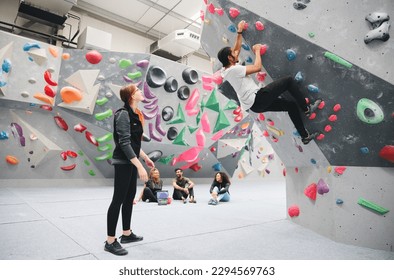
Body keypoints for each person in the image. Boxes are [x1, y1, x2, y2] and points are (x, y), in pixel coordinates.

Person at [217, 20, 322, 145]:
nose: (236, 53)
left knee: (290, 106)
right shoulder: (234, 69)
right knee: (288, 81)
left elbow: (236, 50)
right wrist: (257, 50)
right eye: (232, 54)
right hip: (257, 98)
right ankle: (306, 109)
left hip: (255, 106)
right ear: (229, 58)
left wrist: (239, 31)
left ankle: (305, 136)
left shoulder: (226, 69)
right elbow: (257, 68)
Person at [105, 83, 155, 256]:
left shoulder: (135, 114)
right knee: (117, 200)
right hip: (123, 162)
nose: (141, 92)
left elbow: (134, 143)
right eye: (138, 90)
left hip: (132, 162)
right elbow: (124, 143)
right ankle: (110, 241)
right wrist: (139, 166)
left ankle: (126, 233)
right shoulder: (123, 115)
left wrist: (145, 158)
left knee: (129, 198)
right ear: (132, 96)